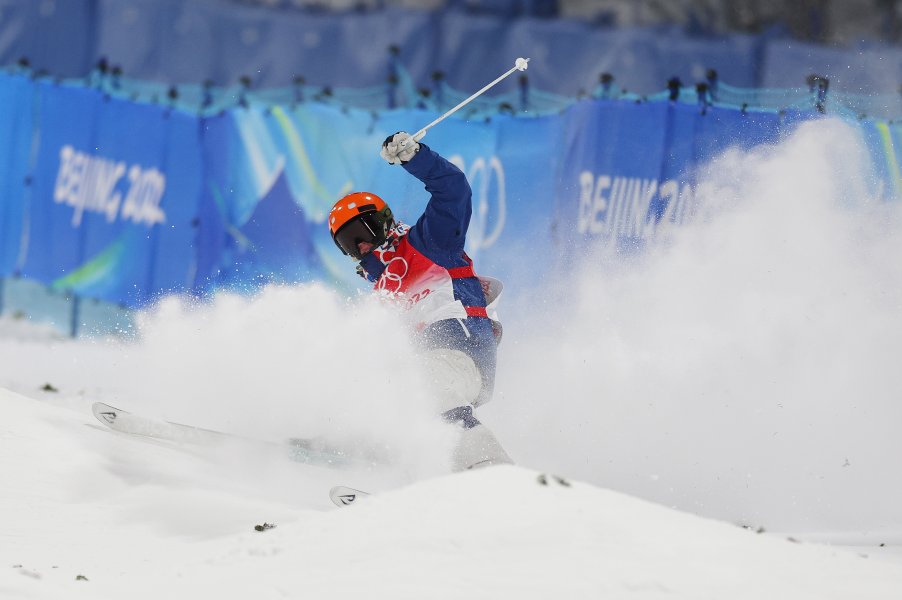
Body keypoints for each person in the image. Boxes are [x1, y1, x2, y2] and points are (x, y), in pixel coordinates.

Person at [327, 132, 513, 471]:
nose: (363, 247)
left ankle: (491, 468)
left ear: (383, 222)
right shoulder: (381, 294)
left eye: (363, 233)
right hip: (431, 353)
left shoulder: (428, 241)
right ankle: (368, 451)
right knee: (389, 386)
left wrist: (415, 156)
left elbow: (454, 191)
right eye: (350, 244)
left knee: (427, 386)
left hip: (460, 338)